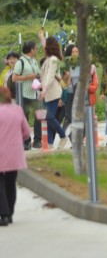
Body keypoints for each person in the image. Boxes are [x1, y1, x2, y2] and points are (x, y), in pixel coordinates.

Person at [0, 86, 30, 226]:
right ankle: (10, 213)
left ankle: (4, 214)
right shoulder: (17, 109)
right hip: (14, 153)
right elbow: (26, 132)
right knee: (10, 183)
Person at [11, 41, 42, 148]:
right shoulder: (21, 62)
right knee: (25, 118)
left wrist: (38, 77)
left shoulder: (34, 61)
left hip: (35, 94)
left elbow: (37, 74)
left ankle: (38, 140)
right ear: (32, 50)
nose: (37, 51)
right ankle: (26, 141)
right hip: (24, 94)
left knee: (39, 117)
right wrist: (28, 77)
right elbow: (14, 78)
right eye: (36, 49)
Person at [40, 37, 68, 149]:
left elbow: (50, 76)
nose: (44, 47)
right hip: (47, 93)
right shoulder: (49, 59)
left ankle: (63, 136)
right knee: (48, 118)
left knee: (50, 117)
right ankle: (50, 143)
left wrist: (44, 89)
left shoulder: (53, 60)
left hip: (53, 92)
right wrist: (42, 37)